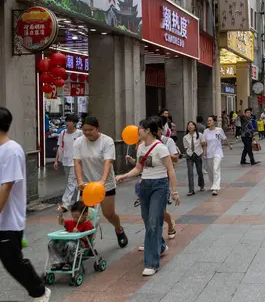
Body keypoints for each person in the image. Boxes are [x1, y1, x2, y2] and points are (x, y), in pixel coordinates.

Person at [0, 105, 50, 302]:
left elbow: (6, 187)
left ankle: (39, 291)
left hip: (6, 222)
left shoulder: (13, 151)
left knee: (14, 264)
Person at [116, 117, 180, 276]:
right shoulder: (140, 148)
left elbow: (170, 170)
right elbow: (138, 168)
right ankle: (160, 245)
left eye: (140, 129)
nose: (137, 131)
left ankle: (151, 263)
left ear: (148, 131)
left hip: (159, 185)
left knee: (153, 222)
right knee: (147, 219)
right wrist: (125, 176)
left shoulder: (161, 148)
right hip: (145, 186)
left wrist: (174, 191)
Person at [74, 117, 128, 248]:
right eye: (84, 130)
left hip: (105, 184)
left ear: (97, 128)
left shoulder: (107, 141)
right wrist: (80, 180)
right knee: (85, 215)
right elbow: (77, 162)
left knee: (108, 214)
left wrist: (103, 180)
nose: (87, 133)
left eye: (90, 130)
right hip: (87, 184)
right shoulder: (78, 142)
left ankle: (119, 229)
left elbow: (108, 162)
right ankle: (87, 243)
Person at [48, 201, 93, 271]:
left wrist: (78, 233)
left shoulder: (88, 225)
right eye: (73, 217)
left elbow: (88, 239)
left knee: (70, 244)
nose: (75, 219)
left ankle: (71, 263)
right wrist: (60, 214)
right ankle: (58, 262)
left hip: (81, 245)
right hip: (67, 244)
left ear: (85, 215)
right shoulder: (72, 223)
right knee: (52, 243)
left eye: (77, 217)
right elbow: (61, 222)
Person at [54, 114, 83, 211]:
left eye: (70, 121)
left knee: (71, 182)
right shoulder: (63, 133)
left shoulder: (80, 134)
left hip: (76, 161)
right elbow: (60, 147)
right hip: (65, 160)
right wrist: (56, 160)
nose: (67, 123)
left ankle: (65, 203)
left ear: (74, 123)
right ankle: (75, 201)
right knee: (71, 182)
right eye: (67, 121)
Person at [203, 115, 232, 195]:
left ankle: (215, 187)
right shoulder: (205, 131)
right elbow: (204, 143)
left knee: (216, 169)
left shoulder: (219, 130)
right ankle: (213, 184)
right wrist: (204, 154)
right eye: (208, 120)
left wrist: (229, 145)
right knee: (210, 170)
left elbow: (225, 138)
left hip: (218, 153)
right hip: (209, 153)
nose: (209, 122)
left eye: (210, 120)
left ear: (214, 122)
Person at [183, 121, 205, 196]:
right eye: (188, 125)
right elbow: (186, 148)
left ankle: (201, 185)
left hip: (198, 154)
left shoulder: (200, 135)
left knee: (199, 171)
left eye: (192, 125)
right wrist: (188, 154)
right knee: (190, 173)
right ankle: (191, 190)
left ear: (195, 127)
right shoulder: (185, 137)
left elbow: (203, 144)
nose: (190, 126)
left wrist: (204, 153)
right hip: (189, 156)